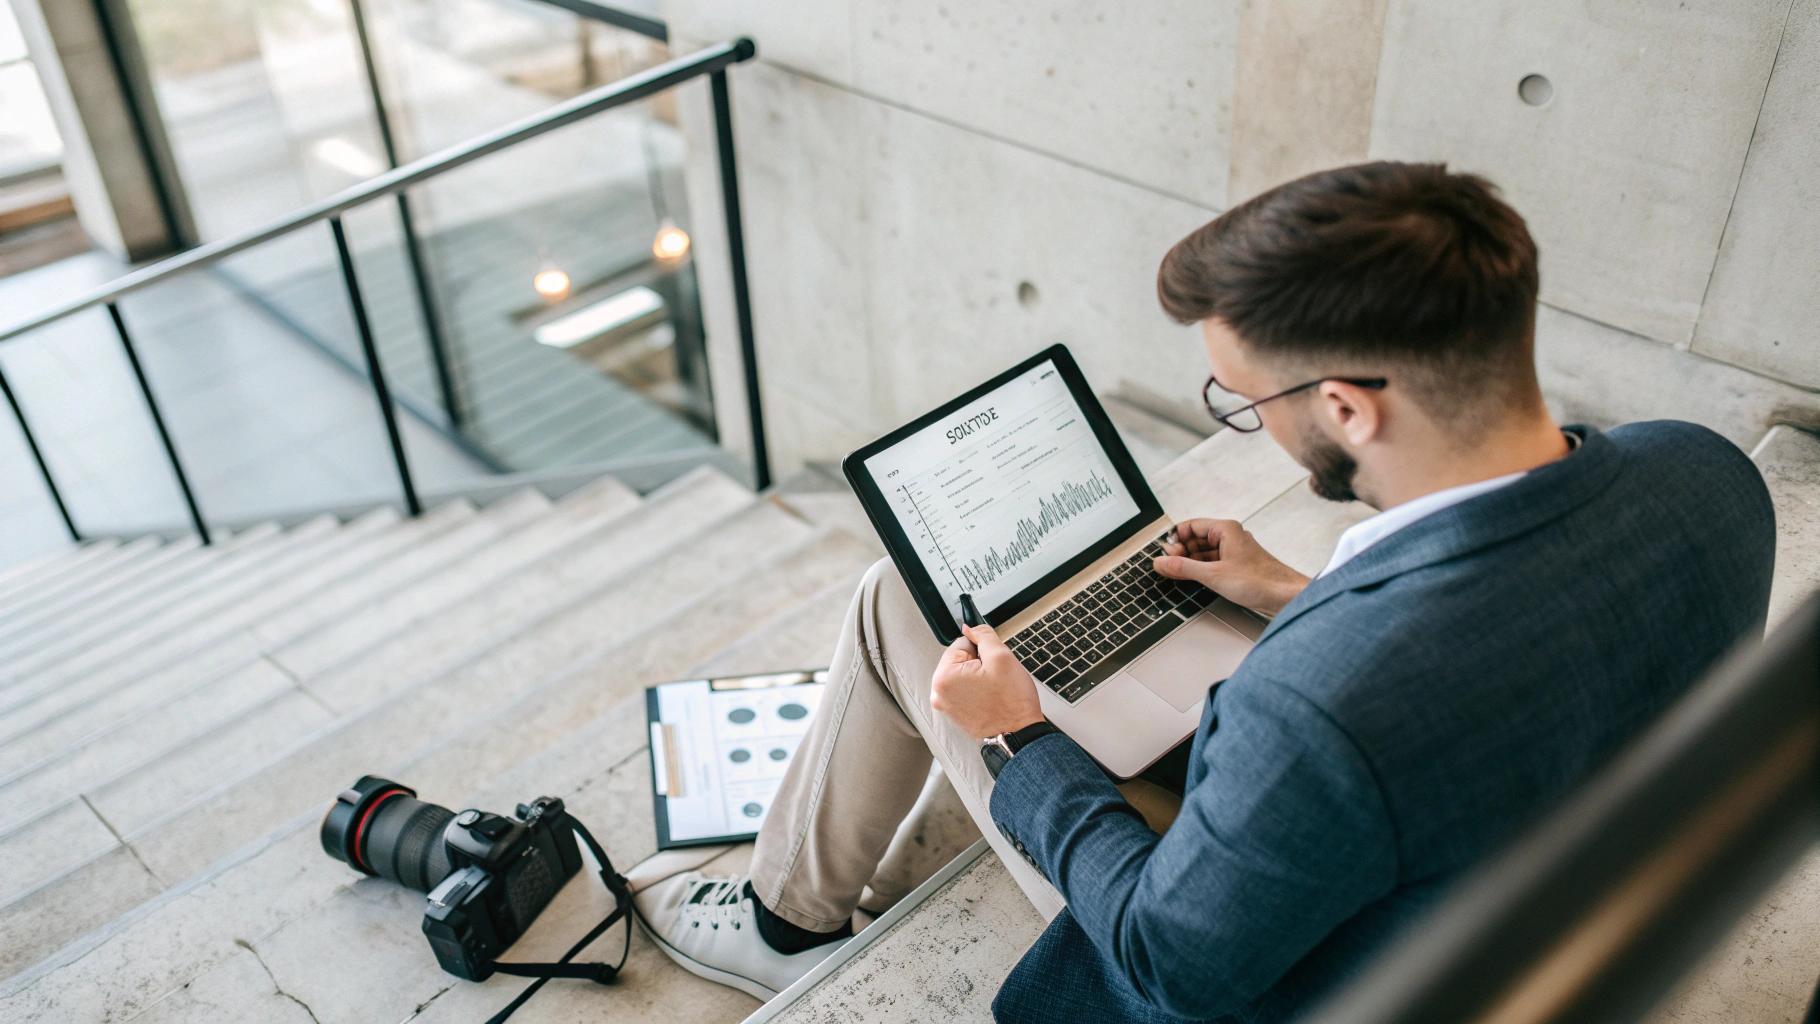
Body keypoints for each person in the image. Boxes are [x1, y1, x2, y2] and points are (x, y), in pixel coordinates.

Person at [634, 161, 1777, 1021]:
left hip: (1326, 971)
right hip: (1516, 860)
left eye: (1245, 399)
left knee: (902, 603)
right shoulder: (1706, 472)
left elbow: (1167, 960)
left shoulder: (1315, 712)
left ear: (1343, 407)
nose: (1254, 423)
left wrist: (1021, 741)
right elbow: (1512, 635)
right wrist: (1282, 587)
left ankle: (786, 924)